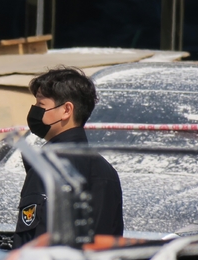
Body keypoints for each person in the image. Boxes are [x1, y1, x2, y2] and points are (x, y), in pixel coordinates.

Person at [15, 66, 123, 246]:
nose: (34, 111)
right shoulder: (107, 171)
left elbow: (34, 244)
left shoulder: (49, 167)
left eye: (41, 105)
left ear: (66, 110)